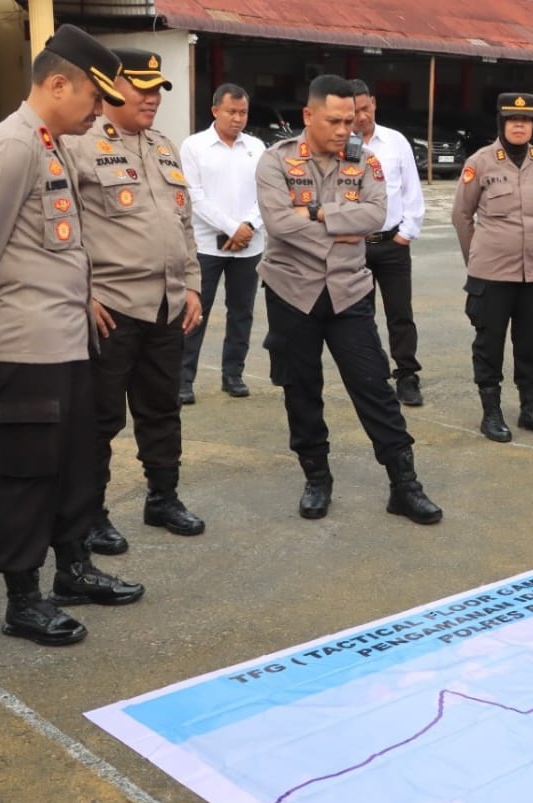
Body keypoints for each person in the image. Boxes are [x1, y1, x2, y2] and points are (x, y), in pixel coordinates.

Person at [0, 25, 145, 646]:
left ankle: (74, 569)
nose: (98, 107)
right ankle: (24, 598)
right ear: (57, 84)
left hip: (68, 340)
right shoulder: (13, 147)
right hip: (26, 349)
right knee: (28, 474)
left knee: (74, 465)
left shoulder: (50, 142)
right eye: (92, 95)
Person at [256, 74, 442, 524]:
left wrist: (318, 213)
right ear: (308, 116)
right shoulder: (274, 162)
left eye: (350, 119)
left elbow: (377, 215)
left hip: (349, 291)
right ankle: (317, 477)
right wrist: (343, 228)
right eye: (334, 120)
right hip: (291, 292)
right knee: (301, 391)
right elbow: (279, 224)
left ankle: (404, 484)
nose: (345, 129)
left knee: (374, 386)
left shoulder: (368, 162)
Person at [63, 48, 206, 555]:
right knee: (99, 418)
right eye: (141, 88)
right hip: (112, 307)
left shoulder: (164, 146)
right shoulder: (77, 146)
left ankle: (162, 499)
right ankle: (91, 514)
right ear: (108, 88)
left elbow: (183, 224)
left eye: (156, 90)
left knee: (162, 409)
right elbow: (59, 228)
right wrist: (81, 292)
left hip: (166, 306)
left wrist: (192, 284)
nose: (151, 98)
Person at [452, 92, 533, 442]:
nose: (519, 125)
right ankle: (492, 412)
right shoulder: (480, 162)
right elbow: (462, 216)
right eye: (512, 120)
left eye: (526, 120)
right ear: (500, 122)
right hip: (492, 273)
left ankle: (531, 410)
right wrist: (477, 260)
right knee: (490, 344)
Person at [179, 82, 265, 405]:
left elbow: (268, 193)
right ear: (215, 110)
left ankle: (233, 375)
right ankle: (184, 379)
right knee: (195, 313)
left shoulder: (257, 148)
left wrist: (249, 227)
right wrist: (233, 227)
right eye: (231, 111)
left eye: (243, 112)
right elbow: (194, 196)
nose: (238, 118)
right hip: (206, 247)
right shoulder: (194, 146)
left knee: (241, 313)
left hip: (249, 246)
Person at [349, 80, 426, 407]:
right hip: (354, 246)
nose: (361, 116)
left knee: (400, 313)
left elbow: (411, 190)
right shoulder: (339, 145)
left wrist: (405, 233)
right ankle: (371, 374)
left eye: (365, 108)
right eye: (353, 111)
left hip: (392, 242)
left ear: (375, 104)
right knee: (359, 314)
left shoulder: (395, 142)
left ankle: (407, 374)